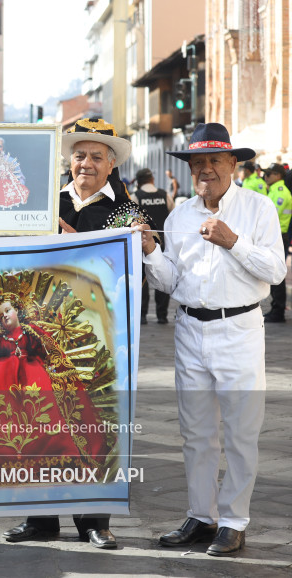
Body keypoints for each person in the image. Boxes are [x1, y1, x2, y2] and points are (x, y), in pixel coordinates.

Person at [137, 123, 286, 557]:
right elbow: (171, 281)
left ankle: (234, 521)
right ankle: (201, 516)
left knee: (242, 432)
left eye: (214, 161)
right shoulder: (180, 215)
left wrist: (233, 242)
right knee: (197, 432)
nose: (205, 170)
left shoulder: (257, 209)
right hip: (189, 331)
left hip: (239, 329)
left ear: (233, 164)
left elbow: (275, 272)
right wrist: (150, 252)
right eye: (197, 163)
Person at [4, 117, 151, 550]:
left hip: (95, 334)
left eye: (96, 157)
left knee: (94, 421)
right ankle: (41, 517)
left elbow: (132, 276)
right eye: (79, 155)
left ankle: (94, 519)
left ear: (111, 165)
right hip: (39, 331)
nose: (86, 163)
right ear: (69, 160)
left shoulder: (127, 213)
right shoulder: (42, 204)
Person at [0, 289, 112, 474]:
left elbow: (43, 346)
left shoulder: (30, 331)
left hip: (33, 375)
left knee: (49, 414)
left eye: (7, 311)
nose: (4, 316)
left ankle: (56, 451)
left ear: (18, 311)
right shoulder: (0, 340)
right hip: (0, 378)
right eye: (0, 316)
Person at [131, 168, 173, 324]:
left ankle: (142, 315)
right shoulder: (164, 195)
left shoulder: (136, 197)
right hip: (162, 242)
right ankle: (162, 315)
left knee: (142, 279)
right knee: (163, 274)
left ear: (138, 181)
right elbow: (172, 215)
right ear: (152, 180)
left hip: (141, 243)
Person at [259, 163, 291, 322]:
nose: (266, 176)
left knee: (276, 274)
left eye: (269, 174)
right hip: (275, 235)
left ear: (278, 176)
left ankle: (278, 311)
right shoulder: (273, 191)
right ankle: (276, 309)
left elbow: (269, 219)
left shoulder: (280, 193)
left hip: (278, 236)